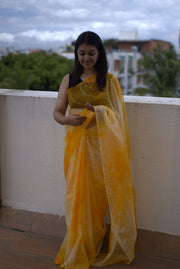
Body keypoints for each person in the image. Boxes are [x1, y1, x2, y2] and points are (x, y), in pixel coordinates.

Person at [53, 31, 137, 269]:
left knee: (97, 199)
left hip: (102, 149)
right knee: (77, 195)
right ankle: (79, 241)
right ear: (76, 53)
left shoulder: (109, 81)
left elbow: (118, 117)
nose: (86, 58)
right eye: (81, 53)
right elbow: (58, 113)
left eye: (91, 53)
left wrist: (99, 112)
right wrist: (68, 121)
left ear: (99, 54)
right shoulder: (69, 80)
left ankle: (93, 239)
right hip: (75, 148)